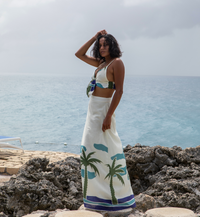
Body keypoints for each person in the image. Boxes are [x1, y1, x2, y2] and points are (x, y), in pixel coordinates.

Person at [75, 30, 136, 212]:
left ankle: (116, 199)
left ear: (112, 46)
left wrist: (108, 116)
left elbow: (119, 91)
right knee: (91, 151)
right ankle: (96, 199)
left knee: (109, 150)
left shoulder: (117, 63)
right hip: (92, 112)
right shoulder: (101, 63)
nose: (102, 48)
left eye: (105, 45)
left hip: (103, 111)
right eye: (100, 45)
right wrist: (94, 37)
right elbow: (78, 54)